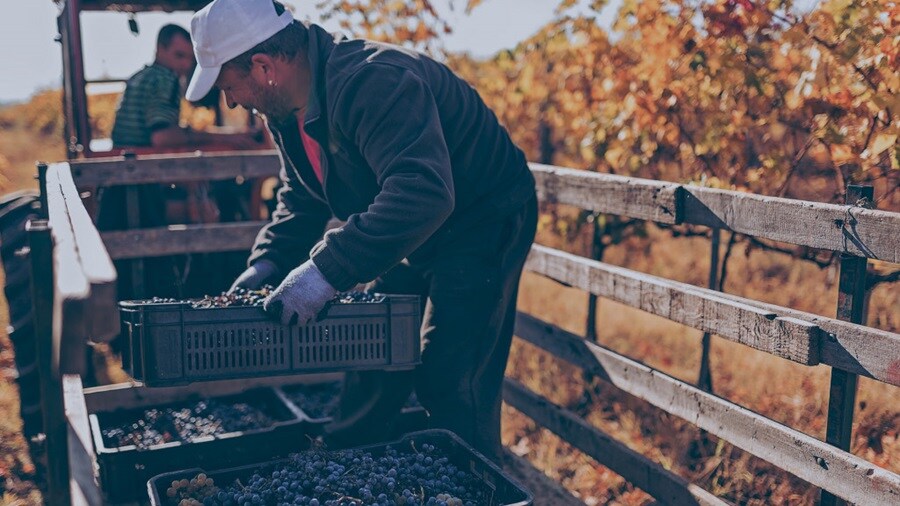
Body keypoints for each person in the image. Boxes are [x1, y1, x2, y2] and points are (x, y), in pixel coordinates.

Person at [187, 0, 537, 462]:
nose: (232, 102)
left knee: (452, 372)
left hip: (481, 217)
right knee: (376, 349)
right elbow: (303, 193)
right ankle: (349, 459)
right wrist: (268, 261)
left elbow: (424, 191)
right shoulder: (286, 110)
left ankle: (473, 480)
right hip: (411, 224)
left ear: (263, 65)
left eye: (230, 87)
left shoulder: (374, 80)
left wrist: (326, 271)